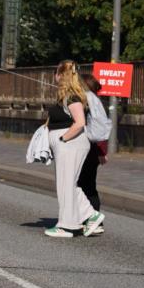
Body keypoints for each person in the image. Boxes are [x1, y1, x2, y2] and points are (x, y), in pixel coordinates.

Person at [43, 60, 105, 238]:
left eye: (57, 72)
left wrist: (63, 139)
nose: (55, 77)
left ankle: (67, 225)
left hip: (71, 145)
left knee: (66, 185)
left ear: (62, 75)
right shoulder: (66, 96)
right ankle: (89, 215)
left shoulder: (72, 97)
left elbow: (79, 123)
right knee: (67, 184)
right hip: (68, 145)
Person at [77, 74, 107, 235]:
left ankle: (93, 218)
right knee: (88, 185)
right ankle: (91, 219)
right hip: (93, 151)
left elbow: (99, 128)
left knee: (83, 186)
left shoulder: (89, 102)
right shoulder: (95, 101)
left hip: (88, 150)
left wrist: (102, 151)